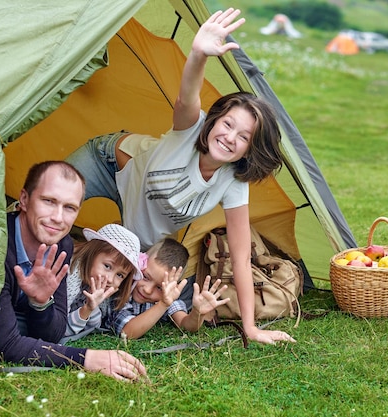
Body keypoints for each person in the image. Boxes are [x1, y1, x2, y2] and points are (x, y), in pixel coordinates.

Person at [66, 8, 295, 345]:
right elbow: (186, 95)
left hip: (138, 230)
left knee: (117, 271)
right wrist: (199, 54)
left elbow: (241, 259)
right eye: (227, 124)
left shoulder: (232, 183)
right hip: (108, 163)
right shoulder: (190, 129)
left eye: (243, 136)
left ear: (250, 149)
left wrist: (250, 327)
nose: (230, 137)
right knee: (48, 208)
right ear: (213, 121)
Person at [0, 161, 147, 382]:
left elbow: (52, 334)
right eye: (48, 201)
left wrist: (41, 304)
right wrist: (85, 358)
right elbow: (3, 344)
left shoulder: (62, 245)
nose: (58, 217)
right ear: (24, 199)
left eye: (70, 208)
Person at [107, 238, 229, 339]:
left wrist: (197, 313)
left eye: (160, 287)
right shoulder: (122, 288)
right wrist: (162, 305)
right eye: (145, 277)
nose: (148, 290)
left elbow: (184, 324)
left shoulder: (166, 297)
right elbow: (127, 333)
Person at [63, 224, 143, 342]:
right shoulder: (69, 274)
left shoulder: (101, 293)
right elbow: (57, 330)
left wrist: (91, 308)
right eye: (107, 266)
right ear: (91, 253)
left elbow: (93, 327)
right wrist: (86, 310)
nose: (110, 279)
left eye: (120, 275)